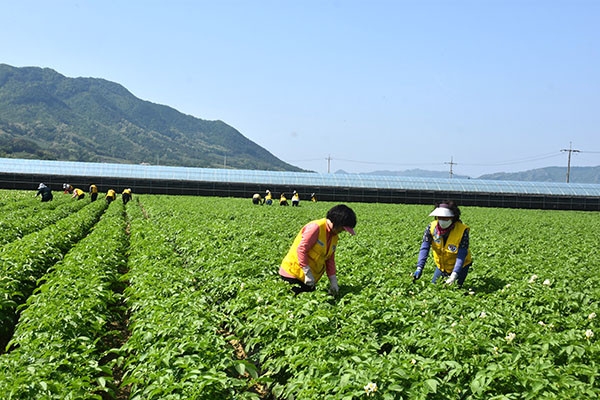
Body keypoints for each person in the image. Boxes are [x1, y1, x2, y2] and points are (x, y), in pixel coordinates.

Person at [279, 204, 357, 296]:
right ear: (337, 222)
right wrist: (307, 273)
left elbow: (330, 259)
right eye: (342, 228)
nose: (342, 231)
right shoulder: (316, 228)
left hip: (309, 279)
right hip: (292, 274)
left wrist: (333, 281)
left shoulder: (334, 236)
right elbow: (301, 250)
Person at [412, 201, 472, 287]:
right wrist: (419, 267)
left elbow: (461, 255)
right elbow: (425, 247)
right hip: (441, 266)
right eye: (440, 217)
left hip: (460, 266)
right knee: (434, 287)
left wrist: (454, 275)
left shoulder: (462, 231)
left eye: (446, 218)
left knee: (454, 289)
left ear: (453, 217)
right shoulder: (431, 227)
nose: (442, 220)